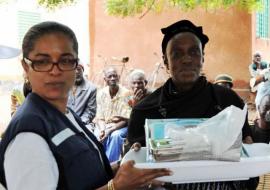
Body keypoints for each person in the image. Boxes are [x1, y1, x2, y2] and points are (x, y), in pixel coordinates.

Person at [0, 21, 171, 190]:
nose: (55, 70)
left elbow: (81, 173)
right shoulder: (28, 135)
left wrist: (123, 166)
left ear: (76, 66)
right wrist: (116, 187)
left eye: (65, 60)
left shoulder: (64, 113)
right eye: (42, 62)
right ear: (25, 66)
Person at [128, 19, 254, 189]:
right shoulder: (144, 111)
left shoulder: (229, 102)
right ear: (166, 61)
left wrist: (248, 153)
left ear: (203, 58)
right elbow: (136, 171)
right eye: (177, 54)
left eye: (194, 52)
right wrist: (137, 159)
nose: (187, 60)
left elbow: (249, 165)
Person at [95, 67, 131, 162]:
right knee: (97, 135)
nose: (112, 78)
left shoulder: (126, 93)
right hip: (104, 125)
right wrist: (103, 130)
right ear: (105, 79)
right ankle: (98, 163)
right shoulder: (101, 93)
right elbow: (100, 117)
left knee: (115, 136)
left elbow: (126, 119)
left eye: (114, 76)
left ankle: (110, 166)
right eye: (109, 76)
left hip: (121, 126)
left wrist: (110, 130)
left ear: (118, 78)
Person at [67, 63, 97, 132]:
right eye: (74, 69)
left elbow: (90, 111)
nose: (77, 72)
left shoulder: (91, 88)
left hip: (83, 123)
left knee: (88, 136)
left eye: (79, 69)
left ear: (82, 71)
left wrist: (79, 122)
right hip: (64, 122)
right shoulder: (63, 85)